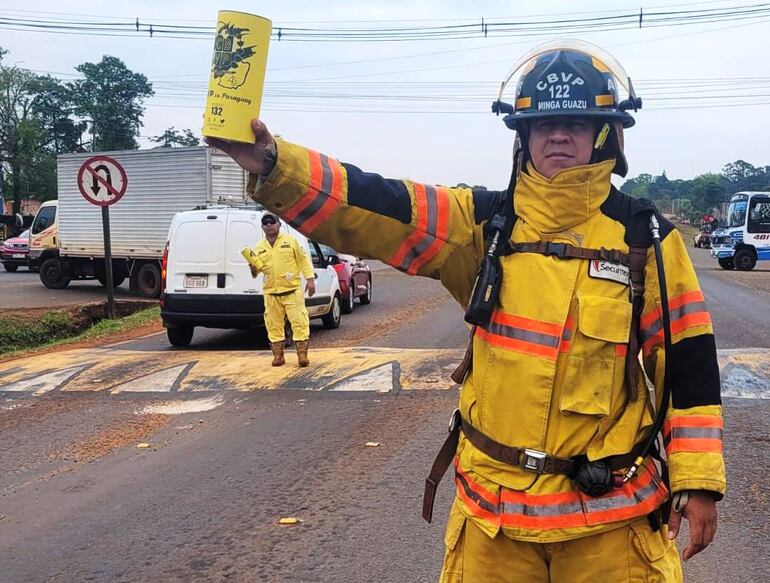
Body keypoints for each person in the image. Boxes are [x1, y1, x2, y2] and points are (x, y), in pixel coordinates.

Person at [208, 40, 724, 582]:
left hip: (610, 525)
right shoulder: (480, 225)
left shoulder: (646, 238)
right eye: (543, 125)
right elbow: (374, 203)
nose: (558, 135)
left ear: (605, 133)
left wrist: (699, 482)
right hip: (492, 524)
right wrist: (272, 163)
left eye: (576, 122)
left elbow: (687, 365)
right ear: (522, 134)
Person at [247, 212, 316, 367]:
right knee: (273, 324)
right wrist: (252, 268)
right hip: (271, 292)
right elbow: (256, 272)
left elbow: (303, 260)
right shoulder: (259, 247)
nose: (269, 225)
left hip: (292, 291)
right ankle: (278, 356)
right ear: (262, 227)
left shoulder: (291, 241)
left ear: (279, 224)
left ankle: (302, 356)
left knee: (299, 322)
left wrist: (310, 280)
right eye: (266, 223)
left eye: (272, 222)